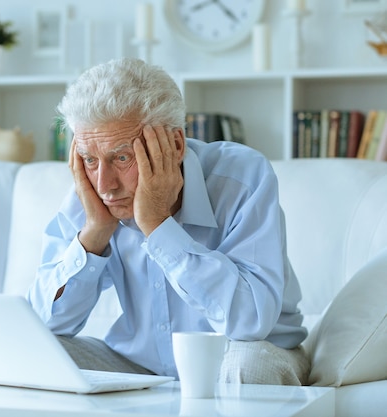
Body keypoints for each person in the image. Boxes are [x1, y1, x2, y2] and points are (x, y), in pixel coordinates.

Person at [27, 58, 309, 385]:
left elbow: (250, 321)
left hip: (245, 354)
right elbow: (44, 323)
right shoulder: (92, 195)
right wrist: (95, 233)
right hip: (140, 367)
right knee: (42, 354)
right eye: (90, 159)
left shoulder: (241, 178)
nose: (105, 184)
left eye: (121, 157)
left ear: (174, 145)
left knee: (249, 366)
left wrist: (159, 226)